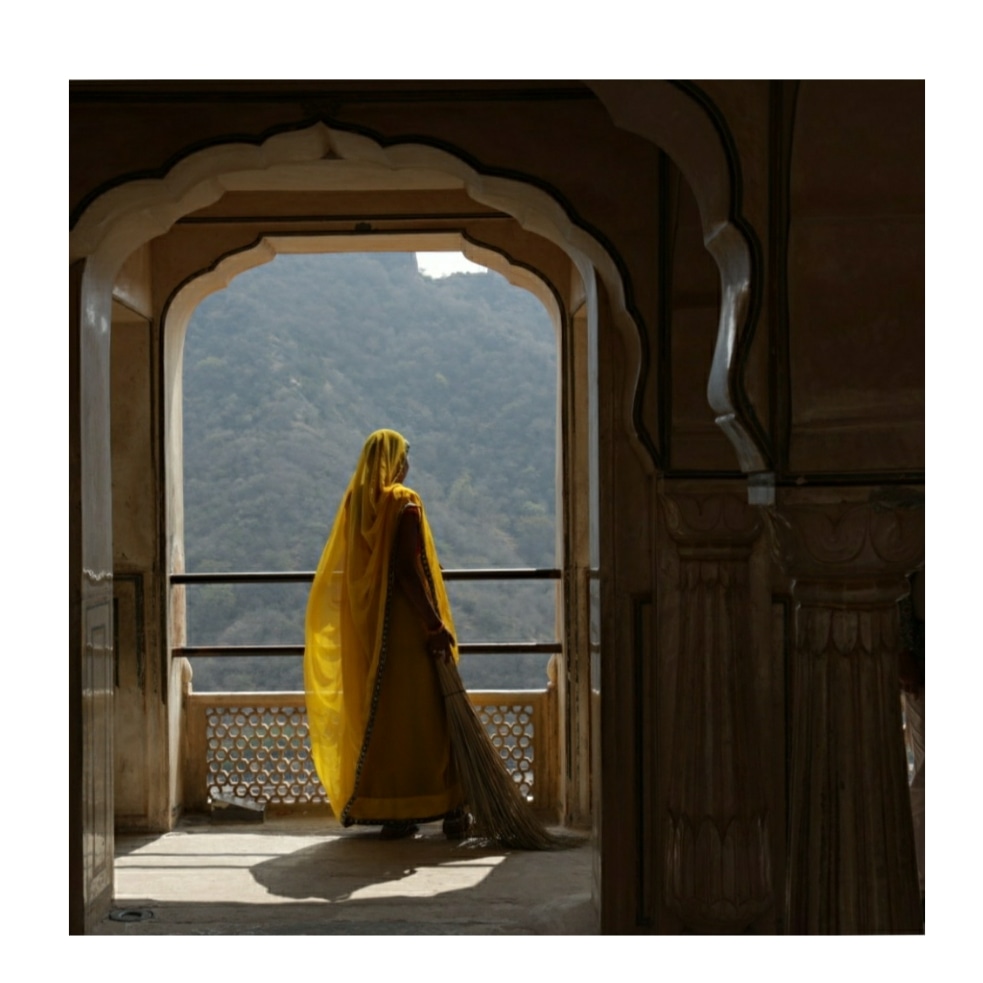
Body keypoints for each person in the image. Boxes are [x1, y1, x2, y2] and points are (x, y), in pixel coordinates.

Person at [304, 429, 469, 839]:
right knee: (429, 717)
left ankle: (395, 812)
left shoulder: (358, 503)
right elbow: (409, 570)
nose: (408, 465)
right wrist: (434, 623)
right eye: (405, 457)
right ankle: (449, 807)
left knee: (389, 719)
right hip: (408, 629)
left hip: (373, 627)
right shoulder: (403, 502)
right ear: (394, 461)